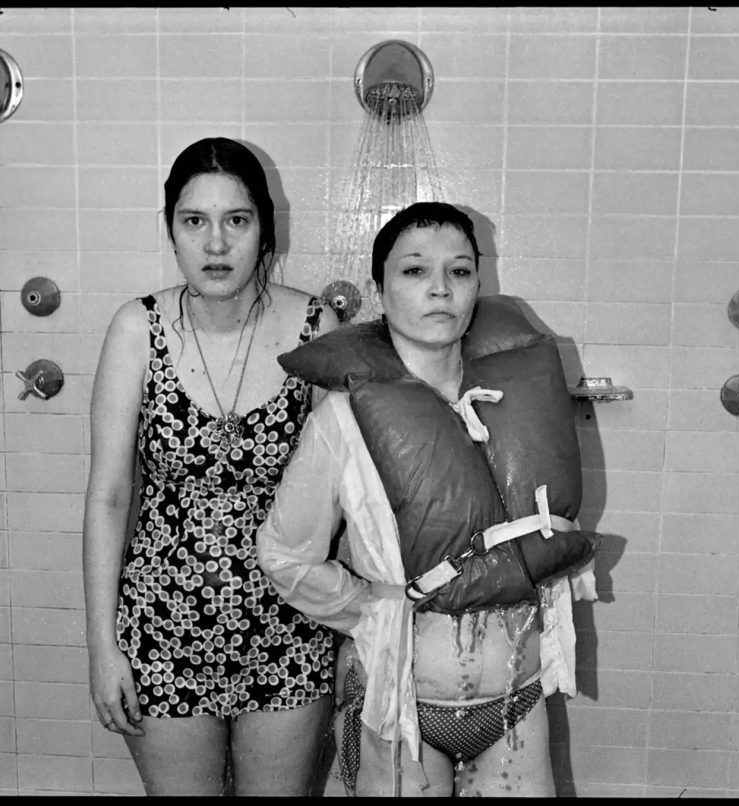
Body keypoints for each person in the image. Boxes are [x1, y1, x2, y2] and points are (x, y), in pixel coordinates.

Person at [255, 201, 599, 796]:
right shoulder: (342, 420)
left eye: (460, 272)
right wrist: (371, 608)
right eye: (415, 271)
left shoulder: (519, 400)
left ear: (478, 287)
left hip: (516, 699)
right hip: (400, 703)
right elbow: (284, 556)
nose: (440, 289)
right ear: (380, 291)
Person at [82, 137, 339, 796]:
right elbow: (109, 496)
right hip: (159, 631)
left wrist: (367, 628)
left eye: (237, 220)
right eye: (195, 221)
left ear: (264, 230)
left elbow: (353, 498)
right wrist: (102, 645)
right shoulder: (136, 331)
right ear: (171, 229)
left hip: (289, 628)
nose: (216, 243)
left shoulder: (316, 326)